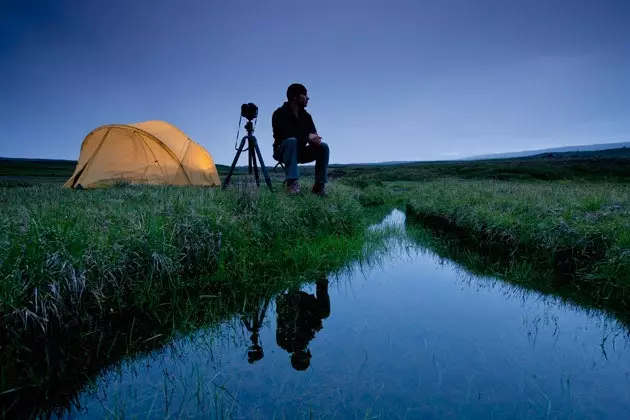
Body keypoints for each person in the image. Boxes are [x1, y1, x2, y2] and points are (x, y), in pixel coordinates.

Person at [272, 83, 330, 196]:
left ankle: (319, 187)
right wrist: (307, 135)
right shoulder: (279, 113)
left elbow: (313, 134)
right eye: (305, 94)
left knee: (323, 147)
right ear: (295, 96)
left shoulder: (307, 117)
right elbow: (286, 135)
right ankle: (292, 184)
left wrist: (315, 139)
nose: (308, 98)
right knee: (292, 141)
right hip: (283, 151)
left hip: (301, 152)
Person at [275, 277, 331, 371]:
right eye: (306, 354)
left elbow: (283, 320)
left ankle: (293, 279)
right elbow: (310, 321)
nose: (305, 352)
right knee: (324, 313)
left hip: (290, 305)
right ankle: (321, 278)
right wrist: (316, 324)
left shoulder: (283, 342)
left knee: (292, 313)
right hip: (302, 306)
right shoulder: (306, 339)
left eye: (304, 355)